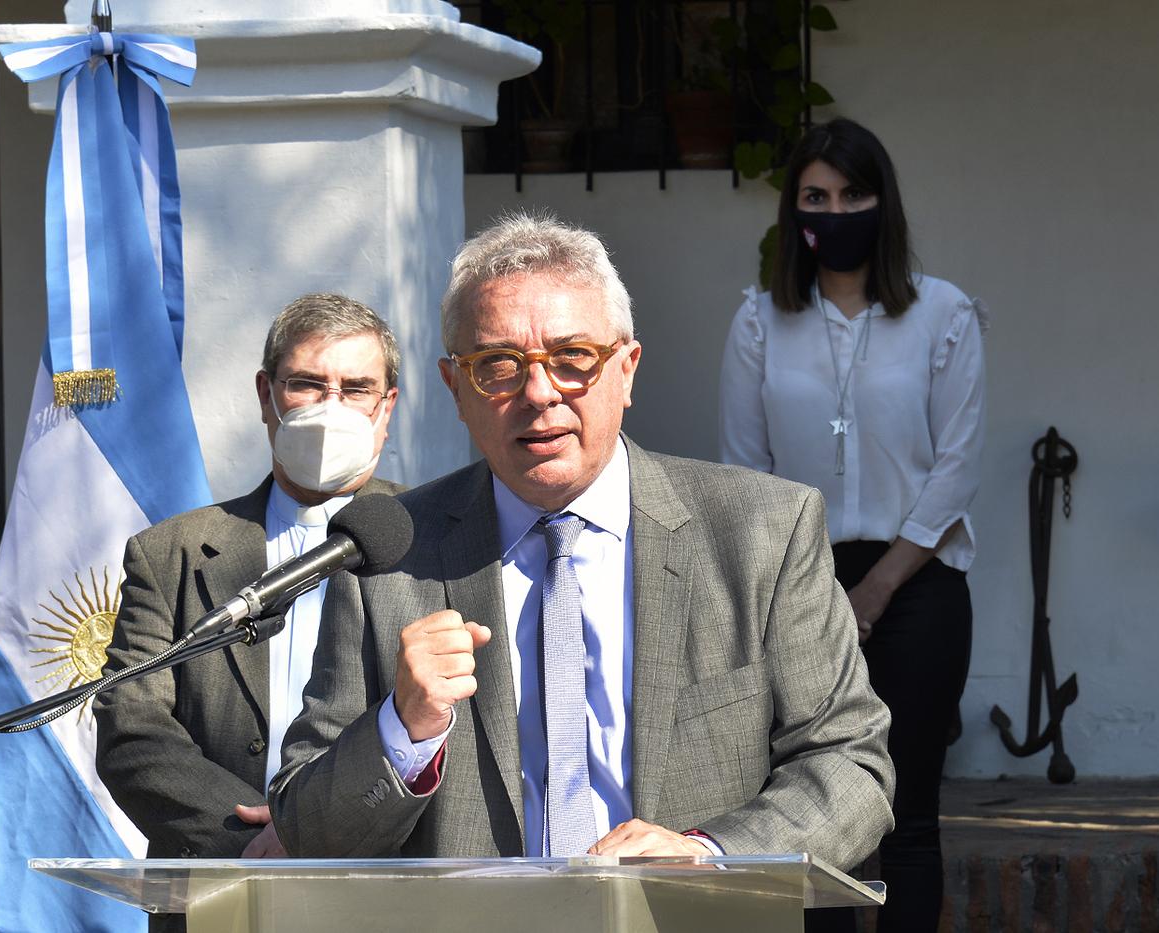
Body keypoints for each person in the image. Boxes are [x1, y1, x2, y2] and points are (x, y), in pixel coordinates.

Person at [269, 213, 894, 869]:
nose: (540, 393)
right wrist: (404, 727)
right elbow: (310, 831)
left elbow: (849, 764)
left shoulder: (763, 530)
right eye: (498, 366)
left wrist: (707, 853)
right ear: (456, 386)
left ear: (626, 369)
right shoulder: (389, 555)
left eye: (572, 359)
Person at [718, 118, 986, 931]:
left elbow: (957, 468)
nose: (836, 213)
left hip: (917, 585)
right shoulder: (761, 321)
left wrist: (874, 588)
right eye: (816, 197)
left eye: (853, 195)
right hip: (795, 585)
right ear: (794, 211)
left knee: (908, 815)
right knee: (814, 820)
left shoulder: (943, 314)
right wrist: (812, 595)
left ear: (883, 202)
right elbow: (741, 473)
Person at [94, 294, 402, 927]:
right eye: (307, 385)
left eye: (356, 388)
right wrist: (256, 842)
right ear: (266, 395)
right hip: (219, 893)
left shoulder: (438, 540)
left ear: (386, 407)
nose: (330, 406)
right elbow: (131, 724)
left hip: (389, 889)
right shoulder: (170, 552)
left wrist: (324, 829)